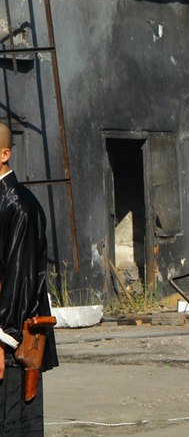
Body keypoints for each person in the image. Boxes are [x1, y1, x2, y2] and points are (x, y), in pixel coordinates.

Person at [0, 120, 58, 435]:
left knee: (13, 422)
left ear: (4, 154)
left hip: (13, 341)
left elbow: (20, 278)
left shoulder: (20, 206)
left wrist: (2, 339)